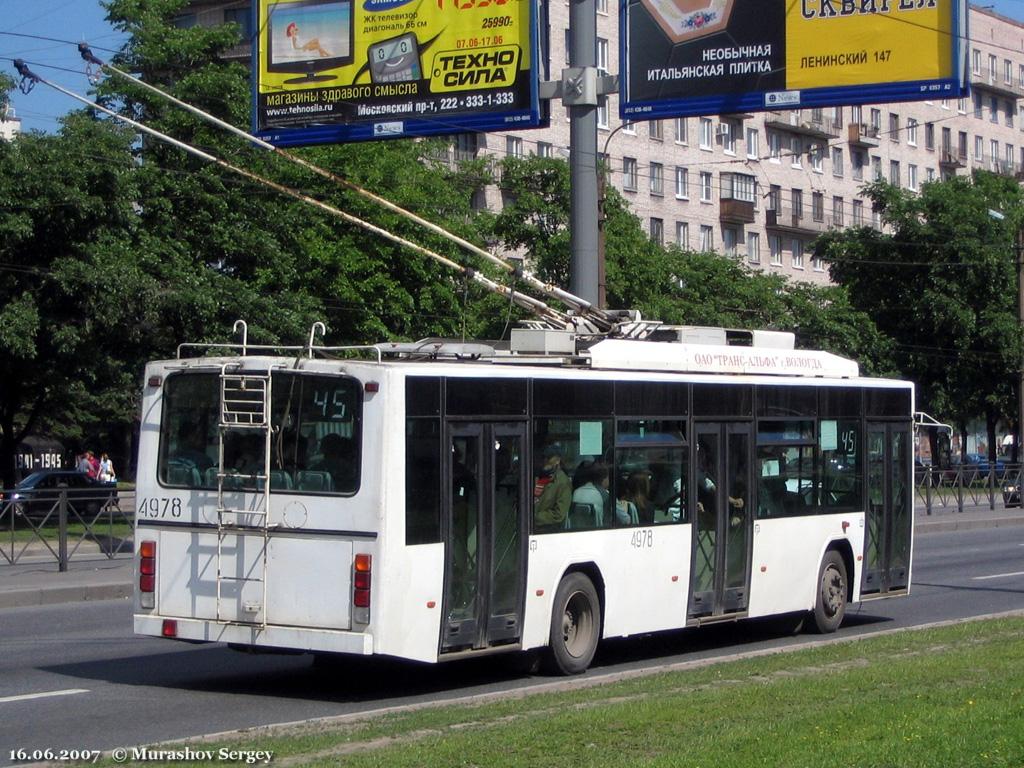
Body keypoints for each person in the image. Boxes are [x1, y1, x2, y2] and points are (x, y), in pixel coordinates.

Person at [534, 443, 571, 532]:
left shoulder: (562, 482)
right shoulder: (537, 477)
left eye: (549, 458)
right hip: (531, 528)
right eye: (544, 457)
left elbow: (558, 514)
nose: (545, 460)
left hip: (548, 531)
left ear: (558, 460)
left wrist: (534, 517)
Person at [571, 461, 609, 526]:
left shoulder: (576, 492)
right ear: (604, 478)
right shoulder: (604, 495)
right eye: (608, 477)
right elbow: (624, 520)